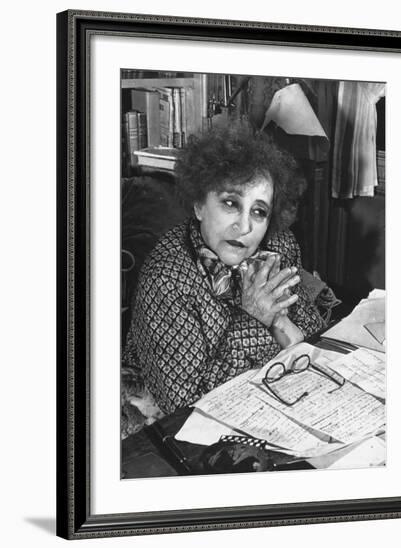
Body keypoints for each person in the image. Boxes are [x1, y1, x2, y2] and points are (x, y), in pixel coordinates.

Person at [122, 123, 324, 419]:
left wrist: (280, 320)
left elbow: (310, 331)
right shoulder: (166, 280)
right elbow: (184, 404)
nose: (244, 228)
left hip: (271, 395)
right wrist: (256, 319)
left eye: (258, 211)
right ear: (199, 205)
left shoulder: (278, 246)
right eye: (231, 203)